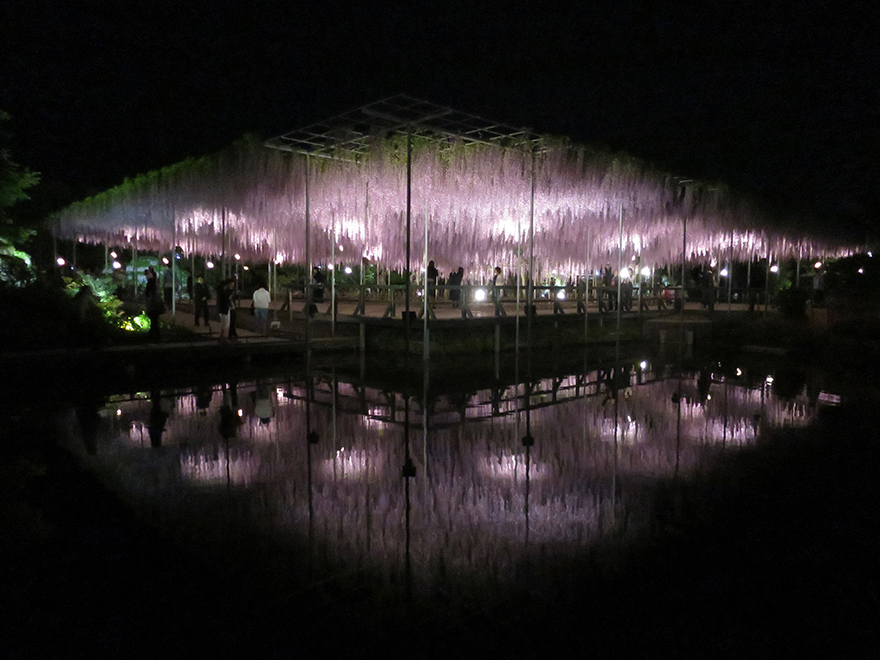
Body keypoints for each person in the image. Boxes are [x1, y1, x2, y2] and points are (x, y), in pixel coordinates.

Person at [216, 278, 233, 343]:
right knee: (225, 325)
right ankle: (223, 338)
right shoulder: (223, 293)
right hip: (224, 310)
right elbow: (226, 300)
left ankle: (222, 337)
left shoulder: (220, 292)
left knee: (224, 325)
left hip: (222, 309)